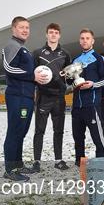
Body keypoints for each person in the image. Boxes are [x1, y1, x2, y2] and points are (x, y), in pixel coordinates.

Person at [2, 16, 48, 181]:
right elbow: (8, 68)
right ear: (13, 29)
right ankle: (10, 169)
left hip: (27, 97)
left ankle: (18, 164)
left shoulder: (24, 49)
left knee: (21, 132)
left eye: (27, 28)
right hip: (17, 96)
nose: (25, 30)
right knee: (14, 132)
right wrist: (32, 75)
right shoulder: (11, 45)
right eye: (21, 27)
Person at [32, 23, 71, 172]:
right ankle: (36, 162)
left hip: (59, 98)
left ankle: (58, 160)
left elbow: (69, 77)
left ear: (59, 35)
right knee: (39, 130)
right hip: (43, 97)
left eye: (56, 32)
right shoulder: (37, 53)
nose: (53, 35)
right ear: (46, 35)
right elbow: (32, 74)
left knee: (58, 131)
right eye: (51, 32)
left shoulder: (65, 54)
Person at [70, 29, 104, 166]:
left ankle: (101, 163)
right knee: (78, 138)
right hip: (76, 106)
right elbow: (71, 82)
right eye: (82, 38)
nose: (84, 40)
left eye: (87, 38)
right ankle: (79, 163)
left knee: (98, 138)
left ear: (92, 41)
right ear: (79, 41)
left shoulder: (99, 58)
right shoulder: (75, 61)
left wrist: (93, 84)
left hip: (92, 105)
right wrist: (68, 80)